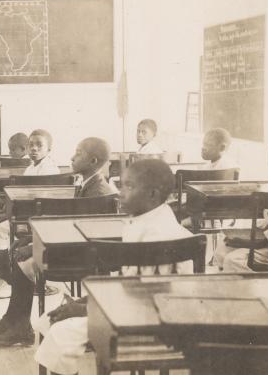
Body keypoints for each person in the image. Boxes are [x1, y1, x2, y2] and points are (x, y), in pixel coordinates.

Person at [32, 159, 193, 374]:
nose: (119, 192)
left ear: (152, 194)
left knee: (60, 333)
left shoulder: (156, 236)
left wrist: (83, 308)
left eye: (129, 186)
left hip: (145, 321)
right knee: (48, 321)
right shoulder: (158, 219)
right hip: (148, 312)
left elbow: (135, 295)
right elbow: (129, 285)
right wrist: (83, 304)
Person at [0, 137, 118, 346]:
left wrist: (33, 247)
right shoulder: (90, 184)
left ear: (93, 161)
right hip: (83, 252)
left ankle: (17, 326)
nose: (71, 157)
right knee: (22, 254)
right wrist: (30, 239)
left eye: (78, 153)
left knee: (24, 263)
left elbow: (73, 232)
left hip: (83, 257)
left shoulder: (97, 192)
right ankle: (13, 322)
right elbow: (69, 225)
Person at [0, 130, 60, 299]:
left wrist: (6, 216)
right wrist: (4, 213)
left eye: (39, 145)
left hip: (38, 218)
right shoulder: (32, 167)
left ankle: (11, 282)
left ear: (49, 149)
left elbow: (35, 200)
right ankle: (2, 275)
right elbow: (20, 195)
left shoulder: (48, 169)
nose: (34, 149)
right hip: (27, 214)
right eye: (31, 145)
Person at [219, 135, 268, 272]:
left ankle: (257, 290)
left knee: (233, 260)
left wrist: (256, 240)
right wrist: (246, 235)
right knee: (222, 248)